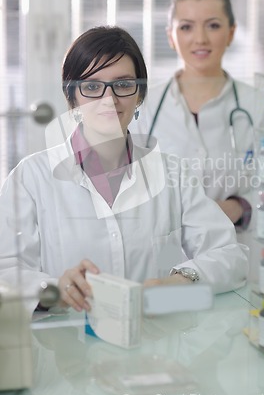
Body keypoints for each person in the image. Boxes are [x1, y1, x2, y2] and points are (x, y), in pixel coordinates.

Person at [0, 25, 248, 315]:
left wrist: (183, 280)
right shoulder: (30, 178)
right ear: (72, 96)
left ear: (139, 94)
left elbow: (231, 257)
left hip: (155, 346)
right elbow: (6, 270)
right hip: (67, 348)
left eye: (123, 84)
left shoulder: (173, 173)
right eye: (92, 86)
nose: (109, 100)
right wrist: (52, 288)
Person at [130, 0, 264, 236]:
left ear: (231, 33)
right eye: (186, 27)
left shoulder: (258, 106)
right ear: (171, 36)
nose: (200, 38)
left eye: (213, 25)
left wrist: (240, 206)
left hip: (237, 250)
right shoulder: (144, 106)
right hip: (164, 255)